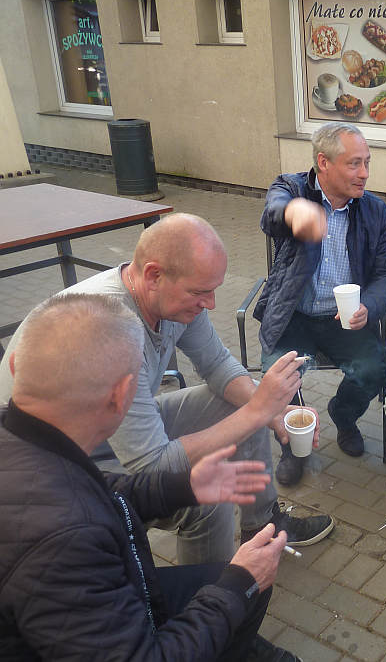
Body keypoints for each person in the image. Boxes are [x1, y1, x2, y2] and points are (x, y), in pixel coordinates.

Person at [0, 213, 334, 565]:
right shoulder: (110, 329)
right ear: (153, 276)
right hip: (55, 466)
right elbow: (151, 465)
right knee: (204, 499)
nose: (211, 304)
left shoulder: (172, 303)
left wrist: (273, 412)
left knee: (241, 404)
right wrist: (257, 412)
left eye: (213, 290)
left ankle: (261, 525)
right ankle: (212, 591)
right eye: (200, 292)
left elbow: (217, 365)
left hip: (111, 427)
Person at [0, 293, 300, 661]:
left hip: (104, 598)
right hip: (116, 620)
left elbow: (98, 489)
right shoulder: (66, 541)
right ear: (121, 396)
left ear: (15, 364)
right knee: (247, 588)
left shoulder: (22, 433)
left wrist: (180, 487)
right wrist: (237, 587)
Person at [256, 122, 386, 483]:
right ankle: (293, 444)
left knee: (373, 370)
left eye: (367, 162)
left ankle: (343, 415)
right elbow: (273, 213)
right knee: (279, 378)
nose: (364, 173)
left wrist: (368, 306)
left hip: (344, 319)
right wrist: (294, 214)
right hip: (292, 314)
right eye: (354, 163)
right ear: (324, 162)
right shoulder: (292, 188)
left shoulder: (374, 211)